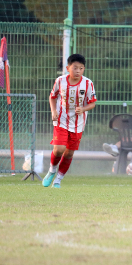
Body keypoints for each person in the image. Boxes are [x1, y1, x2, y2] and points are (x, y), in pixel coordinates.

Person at [42, 53, 97, 189]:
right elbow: (52, 97)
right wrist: (53, 111)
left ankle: (58, 180)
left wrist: (83, 109)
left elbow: (93, 103)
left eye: (81, 68)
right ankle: (51, 171)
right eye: (75, 68)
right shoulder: (60, 81)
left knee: (69, 153)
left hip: (78, 123)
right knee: (59, 149)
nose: (78, 71)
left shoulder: (88, 83)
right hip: (61, 120)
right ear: (68, 68)